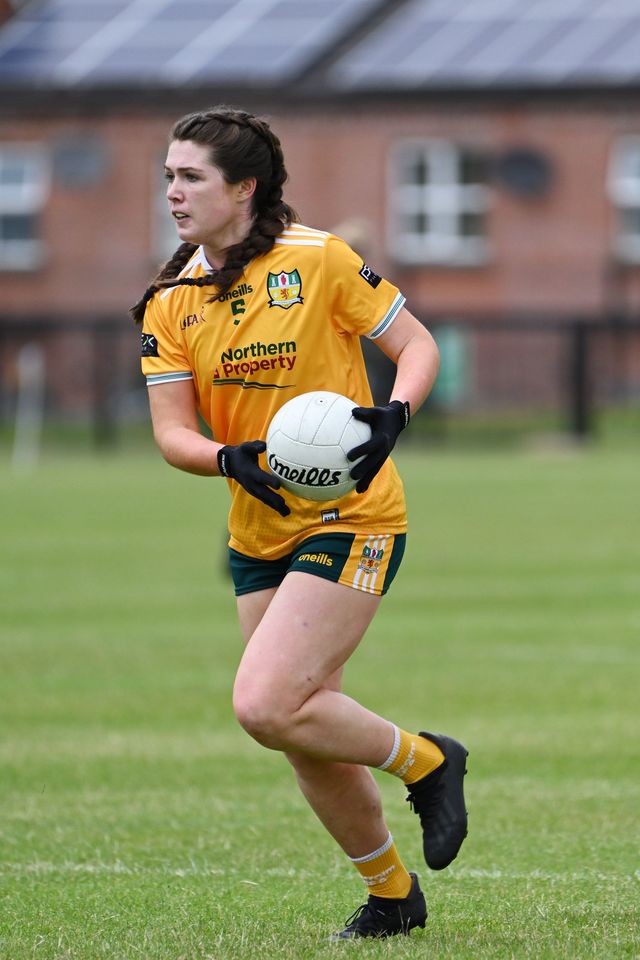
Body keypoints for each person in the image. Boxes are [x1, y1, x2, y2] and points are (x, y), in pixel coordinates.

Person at [132, 105, 468, 940]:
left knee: (265, 704)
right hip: (258, 530)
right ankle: (393, 896)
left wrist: (392, 415)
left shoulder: (318, 260)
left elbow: (417, 344)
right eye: (169, 175)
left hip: (354, 514)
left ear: (243, 188)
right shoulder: (170, 301)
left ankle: (427, 760)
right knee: (303, 726)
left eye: (191, 176)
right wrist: (229, 460)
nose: (173, 191)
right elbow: (174, 435)